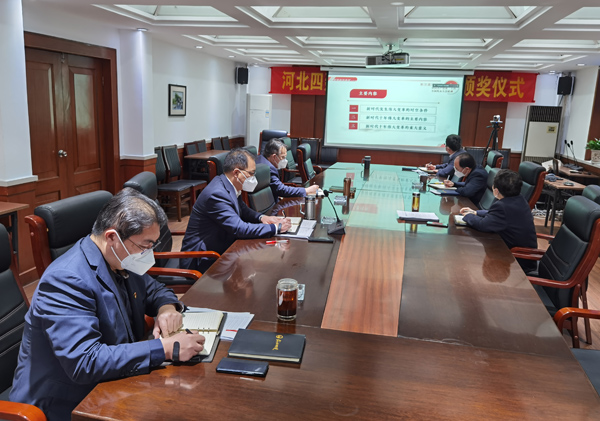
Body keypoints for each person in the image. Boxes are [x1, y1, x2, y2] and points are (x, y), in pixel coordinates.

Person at [10, 188, 205, 421]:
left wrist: (167, 309)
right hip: (63, 403)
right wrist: (164, 348)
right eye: (145, 246)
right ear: (112, 237)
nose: (149, 254)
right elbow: (85, 362)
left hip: (111, 384)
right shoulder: (66, 279)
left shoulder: (118, 257)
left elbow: (154, 289)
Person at [181, 148, 292, 273]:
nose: (253, 178)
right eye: (251, 173)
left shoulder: (227, 184)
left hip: (221, 244)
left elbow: (242, 209)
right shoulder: (217, 194)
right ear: (236, 173)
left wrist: (262, 218)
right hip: (202, 258)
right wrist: (276, 228)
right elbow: (239, 229)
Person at [460, 169, 537, 273]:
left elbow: (483, 225)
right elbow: (497, 215)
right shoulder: (519, 199)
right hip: (523, 255)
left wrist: (468, 216)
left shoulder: (502, 206)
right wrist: (476, 213)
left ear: (496, 191)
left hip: (517, 260)